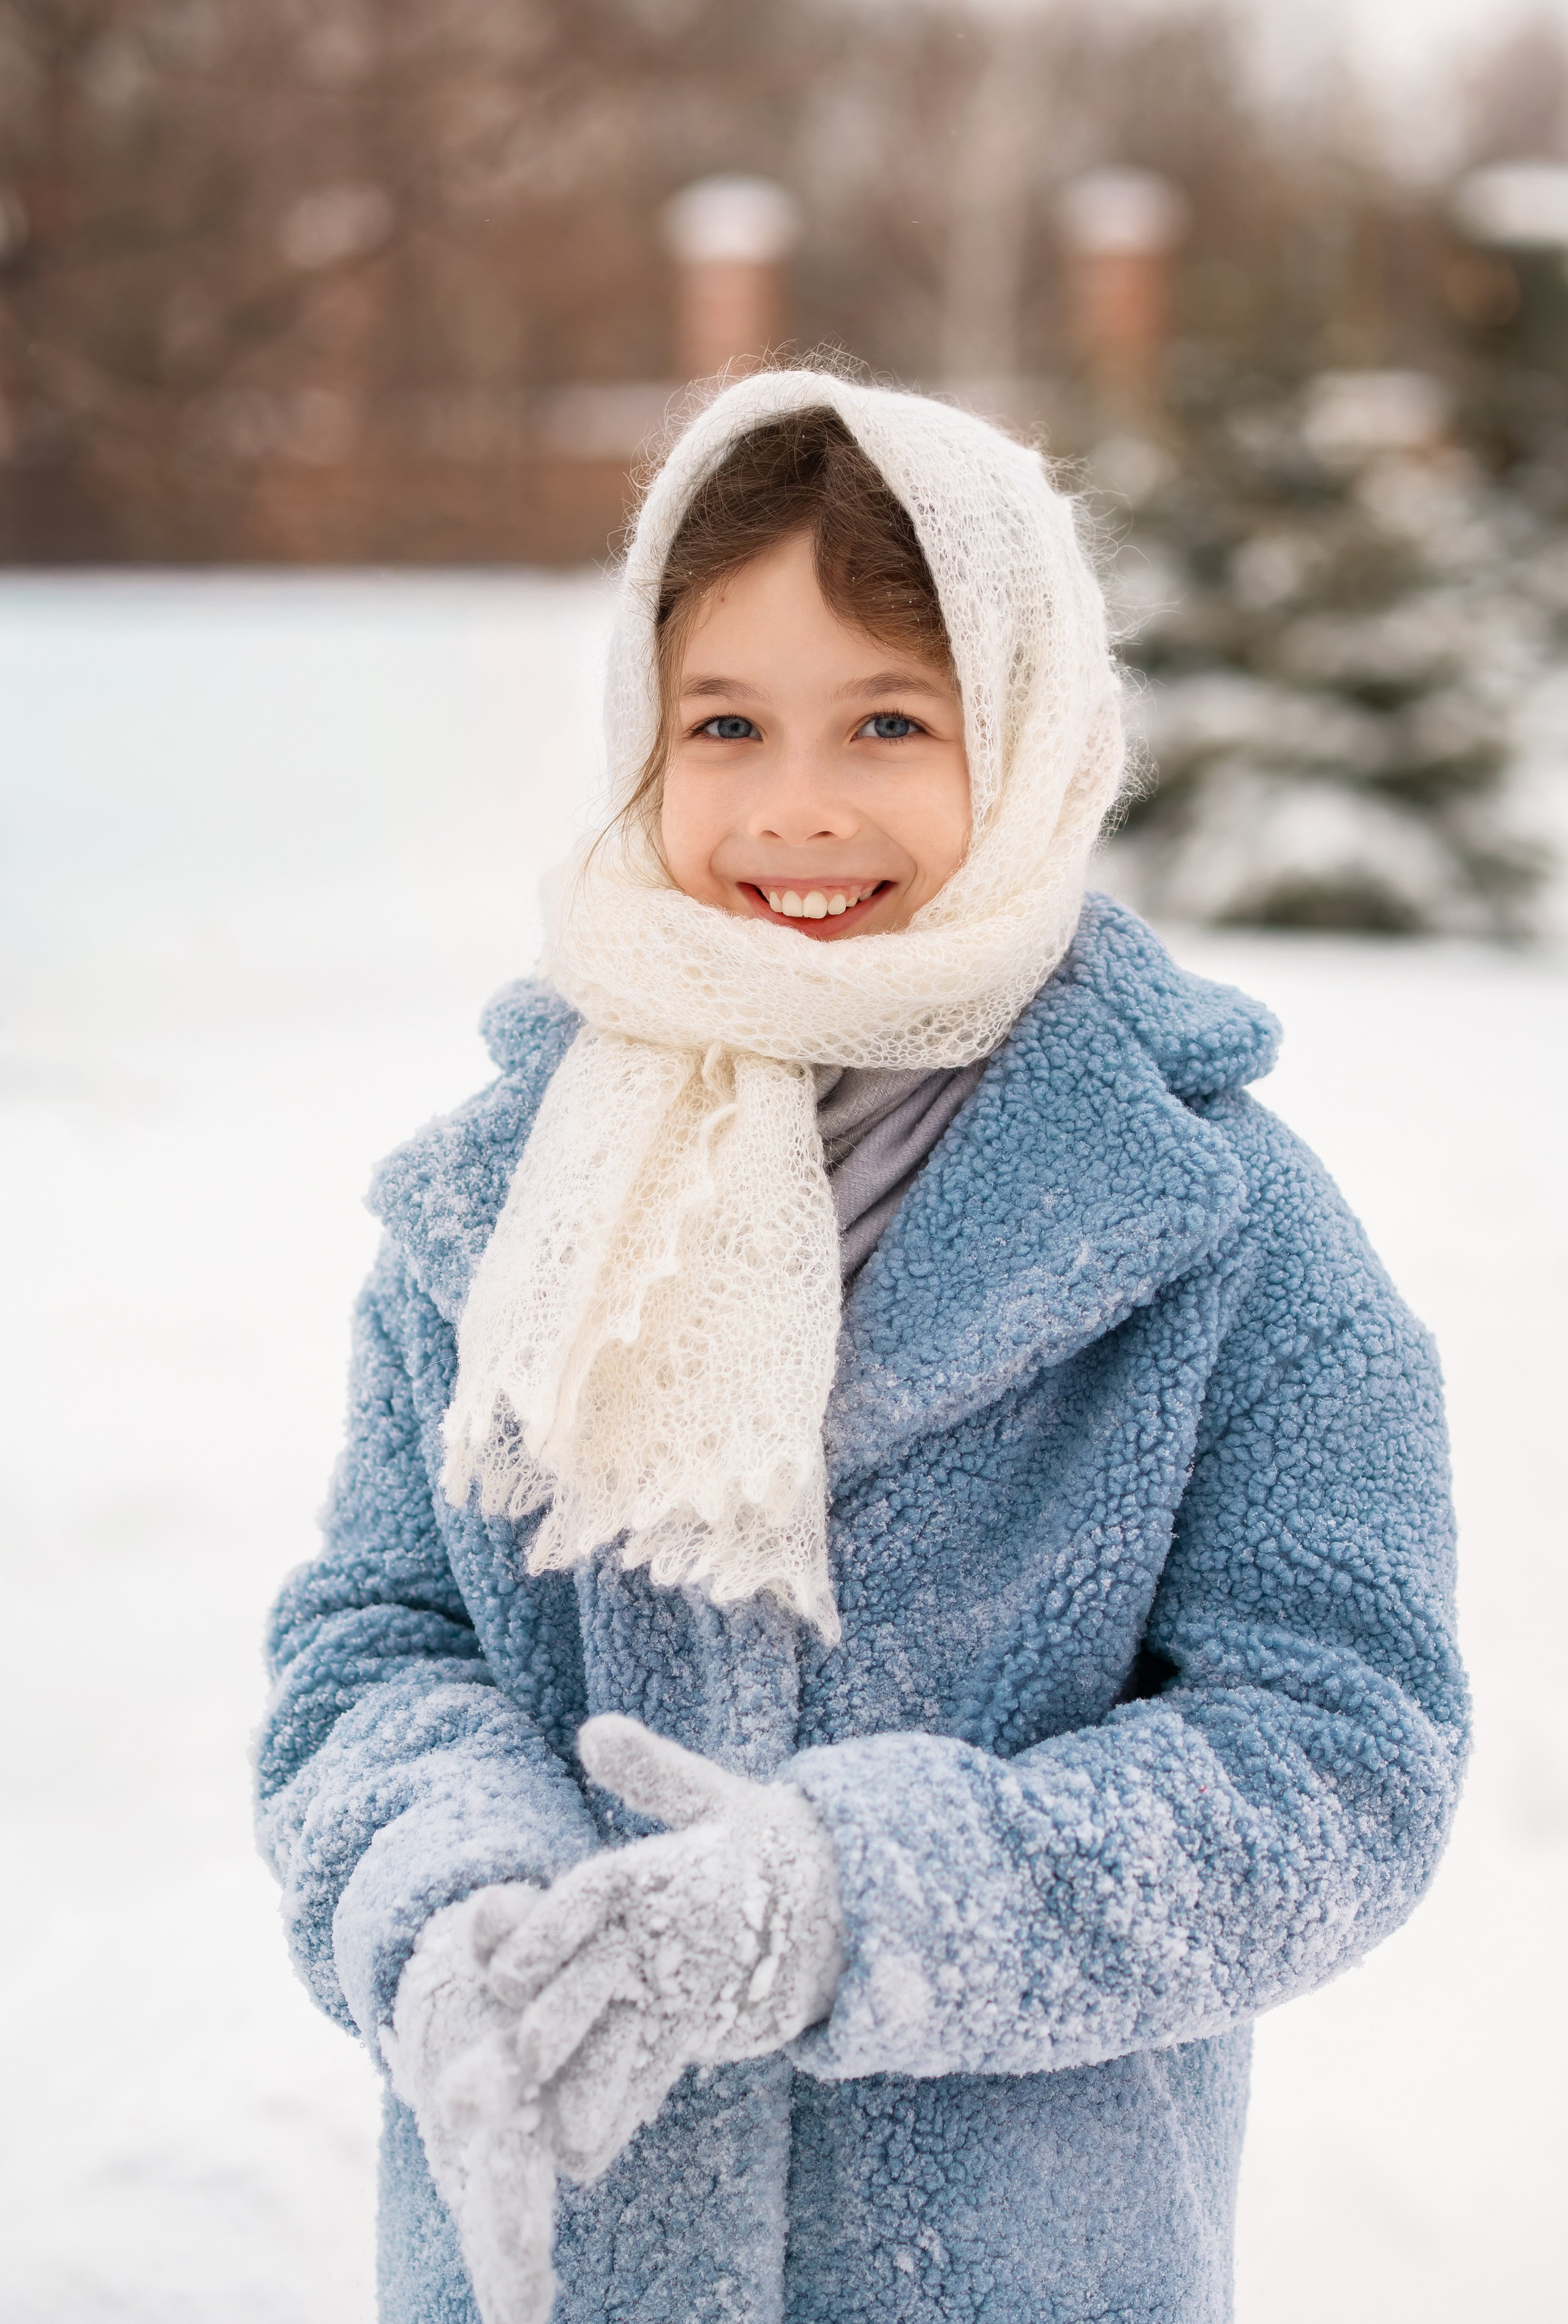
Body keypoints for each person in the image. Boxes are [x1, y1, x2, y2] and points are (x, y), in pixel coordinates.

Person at [256, 370, 1468, 2324]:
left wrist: (854, 1906)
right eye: (724, 725)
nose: (795, 808)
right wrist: (449, 1911)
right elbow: (378, 1645)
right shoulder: (503, 1204)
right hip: (565, 2269)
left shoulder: (1222, 1231)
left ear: (1039, 737)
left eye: (891, 724)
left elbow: (1343, 1757)